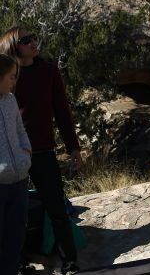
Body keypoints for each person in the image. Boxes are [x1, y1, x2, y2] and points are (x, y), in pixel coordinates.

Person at [0, 28, 81, 275]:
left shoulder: (48, 71)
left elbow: (62, 111)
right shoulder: (8, 75)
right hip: (11, 158)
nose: (34, 42)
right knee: (15, 215)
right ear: (14, 45)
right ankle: (19, 261)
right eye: (26, 40)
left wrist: (73, 147)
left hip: (42, 150)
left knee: (56, 207)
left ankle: (70, 261)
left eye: (34, 37)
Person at [0, 53, 32, 275]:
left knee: (15, 239)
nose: (14, 81)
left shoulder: (10, 100)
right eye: (11, 76)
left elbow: (20, 130)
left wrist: (26, 153)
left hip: (19, 180)